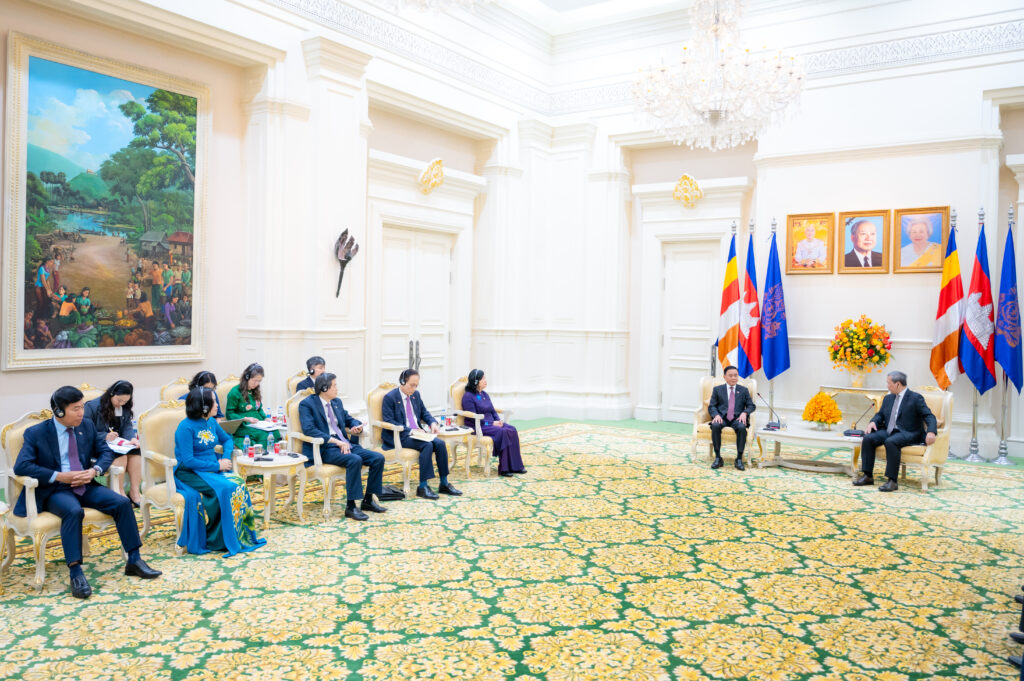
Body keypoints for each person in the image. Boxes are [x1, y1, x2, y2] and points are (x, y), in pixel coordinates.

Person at [12, 386, 161, 598]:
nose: (81, 413)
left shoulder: (86, 426)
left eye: (82, 407)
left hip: (85, 484)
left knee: (121, 503)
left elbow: (105, 452)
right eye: (76, 409)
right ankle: (76, 573)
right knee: (73, 511)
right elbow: (22, 466)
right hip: (55, 489)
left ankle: (134, 560)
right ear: (59, 411)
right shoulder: (36, 433)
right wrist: (58, 476)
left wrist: (95, 470)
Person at [174, 387, 265, 555]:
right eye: (214, 401)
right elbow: (188, 460)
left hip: (212, 466)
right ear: (204, 406)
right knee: (225, 489)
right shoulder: (185, 427)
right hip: (189, 472)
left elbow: (227, 439)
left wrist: (226, 457)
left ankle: (235, 535)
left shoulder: (211, 422)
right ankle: (216, 539)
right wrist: (218, 466)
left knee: (238, 483)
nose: (217, 405)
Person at [299, 373, 387, 520]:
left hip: (345, 443)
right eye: (334, 385)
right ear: (324, 388)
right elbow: (309, 430)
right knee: (354, 460)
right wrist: (336, 442)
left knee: (378, 458)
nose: (337, 388)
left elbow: (348, 419)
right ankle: (351, 507)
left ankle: (368, 500)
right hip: (325, 448)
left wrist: (356, 426)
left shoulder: (336, 402)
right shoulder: (307, 404)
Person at [381, 369, 462, 499]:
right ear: (402, 382)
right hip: (400, 435)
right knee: (427, 445)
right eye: (411, 385)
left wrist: (432, 423)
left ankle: (444, 483)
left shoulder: (415, 395)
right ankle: (423, 487)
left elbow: (424, 412)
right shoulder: (390, 398)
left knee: (440, 444)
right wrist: (411, 430)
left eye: (416, 385)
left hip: (418, 434)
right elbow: (389, 421)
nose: (414, 388)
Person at [854, 371, 937, 492]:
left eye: (889, 383)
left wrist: (931, 432)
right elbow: (880, 415)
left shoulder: (915, 398)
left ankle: (892, 481)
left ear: (898, 384)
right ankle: (867, 476)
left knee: (891, 441)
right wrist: (873, 422)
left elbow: (929, 416)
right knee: (868, 438)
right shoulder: (888, 398)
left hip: (909, 432)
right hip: (889, 430)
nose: (887, 386)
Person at [84, 380, 142, 506]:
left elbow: (127, 426)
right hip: (96, 445)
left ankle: (134, 491)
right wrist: (104, 436)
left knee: (136, 451)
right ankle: (119, 491)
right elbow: (84, 431)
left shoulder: (123, 407)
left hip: (116, 443)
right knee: (120, 455)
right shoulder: (92, 407)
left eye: (125, 401)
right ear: (111, 394)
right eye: (119, 400)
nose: (121, 404)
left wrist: (132, 438)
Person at [461, 369, 526, 477]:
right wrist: (491, 423)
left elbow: (492, 410)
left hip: (490, 424)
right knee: (502, 432)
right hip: (478, 426)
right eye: (483, 378)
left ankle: (516, 466)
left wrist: (498, 420)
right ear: (476, 381)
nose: (485, 380)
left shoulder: (484, 394)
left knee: (512, 429)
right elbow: (473, 418)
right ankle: (504, 469)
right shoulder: (468, 396)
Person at [225, 363, 285, 449]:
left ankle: (273, 455)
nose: (256, 384)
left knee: (275, 432)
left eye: (259, 381)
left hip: (258, 423)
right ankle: (262, 455)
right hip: (243, 425)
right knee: (263, 434)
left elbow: (259, 409)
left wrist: (265, 418)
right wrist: (246, 418)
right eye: (254, 380)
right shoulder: (235, 392)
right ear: (247, 377)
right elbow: (229, 413)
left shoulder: (255, 391)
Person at [707, 366, 755, 471]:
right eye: (730, 375)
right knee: (715, 425)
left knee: (742, 427)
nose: (733, 378)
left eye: (735, 375)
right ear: (724, 377)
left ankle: (739, 459)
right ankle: (718, 458)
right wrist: (716, 415)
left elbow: (751, 406)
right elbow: (712, 406)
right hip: (722, 418)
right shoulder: (717, 390)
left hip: (737, 419)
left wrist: (745, 413)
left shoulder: (743, 390)